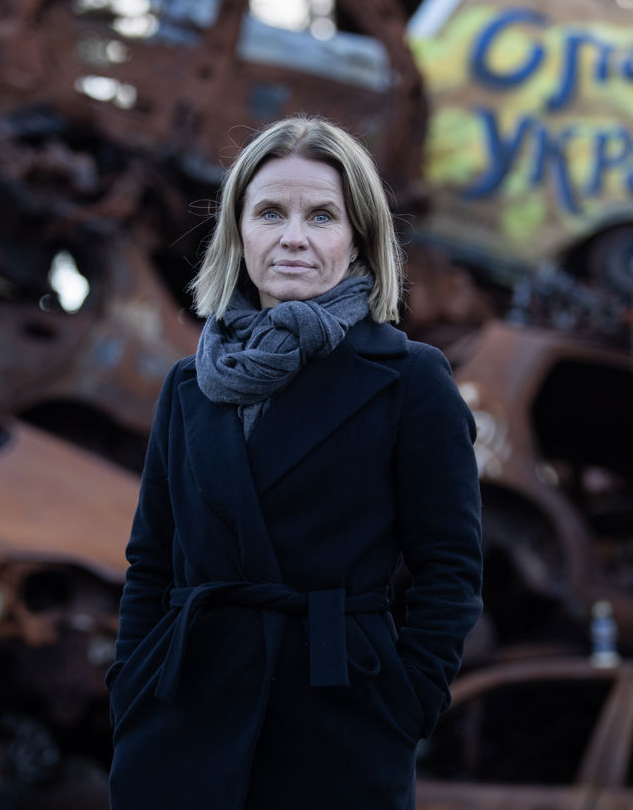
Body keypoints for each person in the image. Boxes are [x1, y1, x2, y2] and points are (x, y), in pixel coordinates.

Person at [106, 116, 482, 810]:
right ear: (239, 232)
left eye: (323, 215)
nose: (295, 237)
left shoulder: (409, 379)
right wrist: (132, 684)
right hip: (180, 716)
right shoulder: (190, 384)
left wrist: (408, 703)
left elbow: (450, 565)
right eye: (271, 212)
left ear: (357, 238)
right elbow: (150, 562)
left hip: (338, 719)